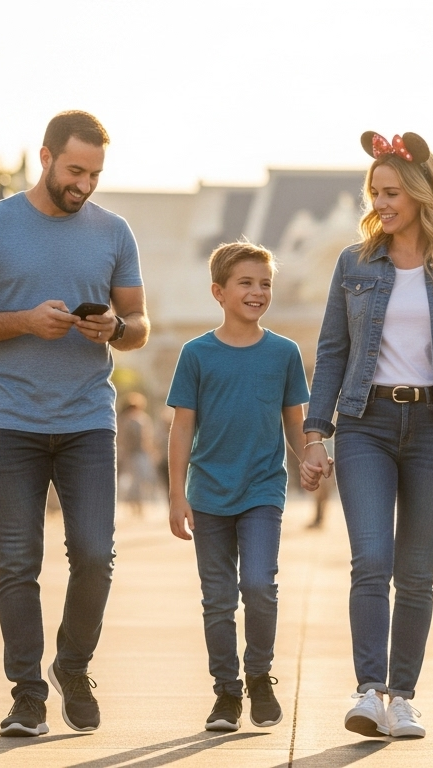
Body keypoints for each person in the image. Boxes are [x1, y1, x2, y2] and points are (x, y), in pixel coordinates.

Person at [0, 110, 149, 738]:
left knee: (94, 555)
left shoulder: (114, 233)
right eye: (74, 170)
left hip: (88, 417)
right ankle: (27, 695)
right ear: (46, 157)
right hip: (11, 420)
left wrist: (113, 328)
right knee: (17, 562)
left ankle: (73, 666)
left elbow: (137, 325)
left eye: (94, 174)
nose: (83, 184)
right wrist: (25, 321)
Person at [300, 131, 433, 739]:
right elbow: (332, 352)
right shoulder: (354, 263)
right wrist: (315, 433)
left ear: (420, 192)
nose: (381, 203)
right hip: (367, 425)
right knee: (371, 561)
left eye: (391, 192)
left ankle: (403, 697)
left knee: (416, 572)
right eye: (375, 193)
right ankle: (368, 690)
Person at [167, 241, 310, 732]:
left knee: (259, 586)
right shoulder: (196, 354)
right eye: (246, 283)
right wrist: (175, 493)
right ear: (219, 292)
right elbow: (182, 427)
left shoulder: (284, 353)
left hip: (263, 490)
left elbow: (295, 423)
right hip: (207, 493)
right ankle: (226, 692)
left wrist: (311, 454)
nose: (257, 292)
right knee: (218, 598)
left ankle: (259, 674)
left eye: (265, 283)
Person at [116, 393, 157, 518]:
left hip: (134, 453)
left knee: (136, 481)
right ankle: (136, 505)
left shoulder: (125, 419)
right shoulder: (136, 419)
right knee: (137, 481)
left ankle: (136, 505)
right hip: (135, 454)